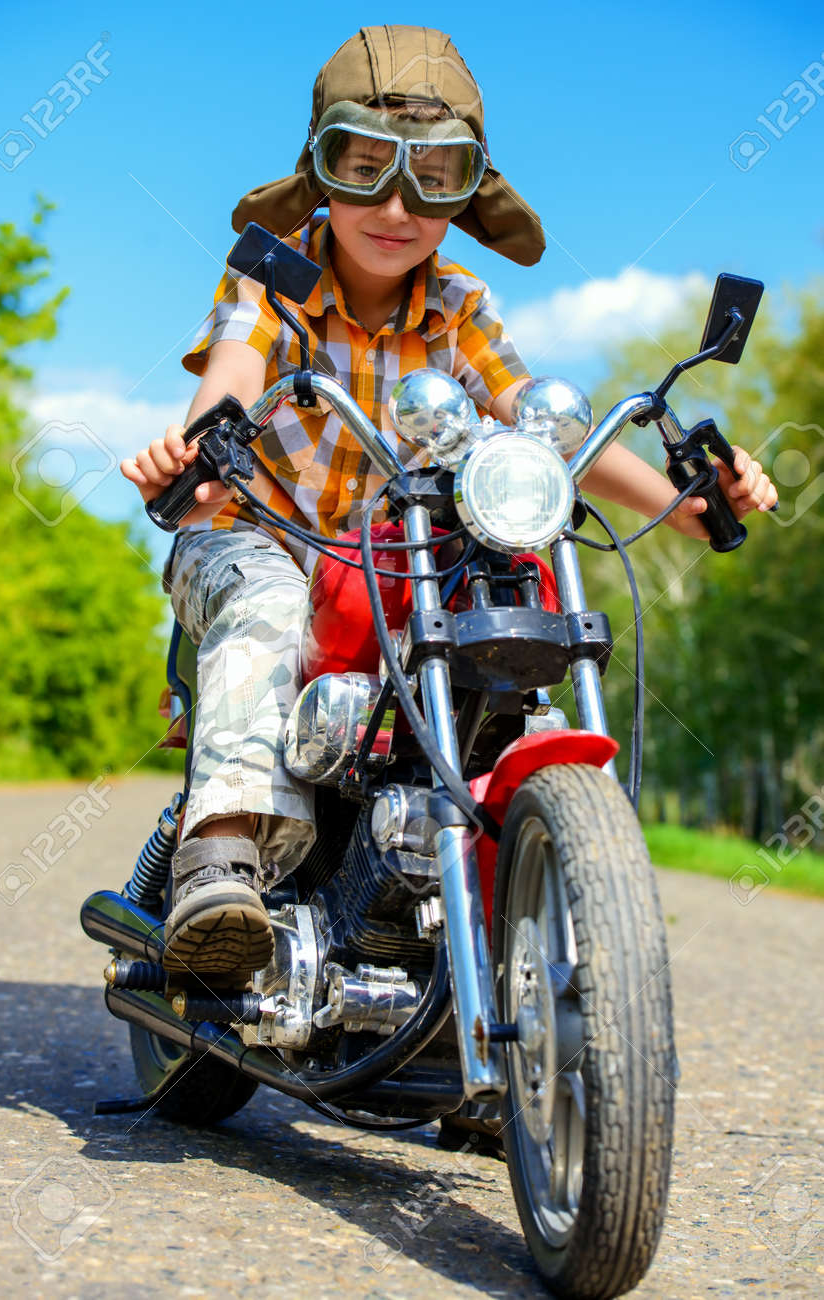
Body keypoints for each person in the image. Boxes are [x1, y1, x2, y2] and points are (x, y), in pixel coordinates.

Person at [121, 25, 777, 985]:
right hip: (250, 533)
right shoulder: (272, 278)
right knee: (266, 600)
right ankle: (219, 857)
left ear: (466, 190)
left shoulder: (461, 304)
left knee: (509, 613)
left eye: (435, 175)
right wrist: (201, 448)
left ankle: (494, 899)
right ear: (322, 172)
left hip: (393, 561)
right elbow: (231, 374)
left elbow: (541, 423)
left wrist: (684, 500)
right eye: (367, 168)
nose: (398, 205)